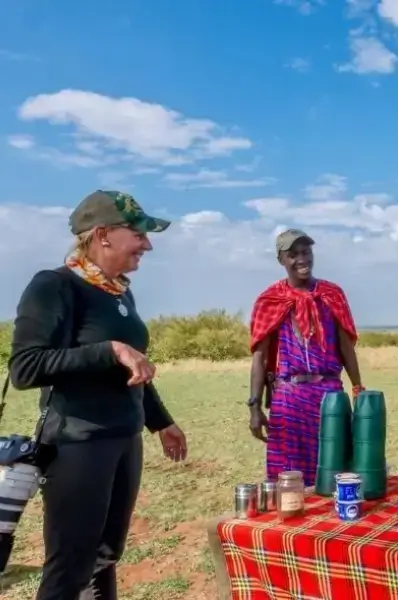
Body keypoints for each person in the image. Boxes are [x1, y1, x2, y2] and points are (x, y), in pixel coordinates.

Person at [7, 190, 188, 600]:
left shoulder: (119, 292)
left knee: (104, 558)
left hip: (124, 438)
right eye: (138, 234)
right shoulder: (55, 285)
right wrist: (109, 350)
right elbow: (25, 367)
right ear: (103, 234)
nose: (147, 244)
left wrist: (161, 422)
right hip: (78, 444)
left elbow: (131, 368)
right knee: (70, 568)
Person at [247, 229, 364, 486]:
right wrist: (254, 407)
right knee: (287, 478)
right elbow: (260, 357)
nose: (302, 259)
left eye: (306, 252)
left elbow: (346, 346)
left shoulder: (331, 295)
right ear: (281, 260)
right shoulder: (270, 300)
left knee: (335, 470)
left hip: (329, 395)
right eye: (293, 254)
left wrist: (358, 389)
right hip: (289, 397)